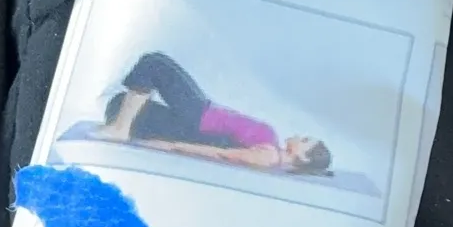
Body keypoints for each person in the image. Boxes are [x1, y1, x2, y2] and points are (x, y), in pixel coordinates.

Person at [92, 51, 332, 175]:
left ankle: (120, 129)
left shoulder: (268, 157)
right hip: (201, 112)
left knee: (154, 63)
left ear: (303, 158)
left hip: (198, 117)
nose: (300, 135)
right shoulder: (273, 146)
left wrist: (171, 146)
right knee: (118, 103)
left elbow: (220, 153)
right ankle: (121, 123)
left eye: (305, 140)